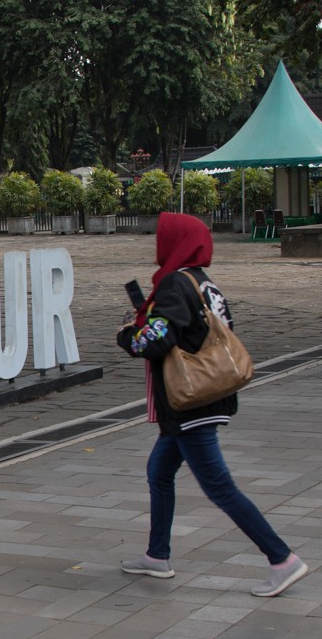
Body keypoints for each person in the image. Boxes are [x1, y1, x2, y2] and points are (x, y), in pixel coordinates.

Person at [115, 212, 307, 597]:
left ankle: (282, 558)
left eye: (162, 236)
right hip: (204, 398)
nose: (157, 242)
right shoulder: (203, 283)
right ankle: (157, 556)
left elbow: (158, 339)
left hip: (190, 404)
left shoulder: (174, 284)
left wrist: (127, 336)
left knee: (219, 487)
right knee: (159, 471)